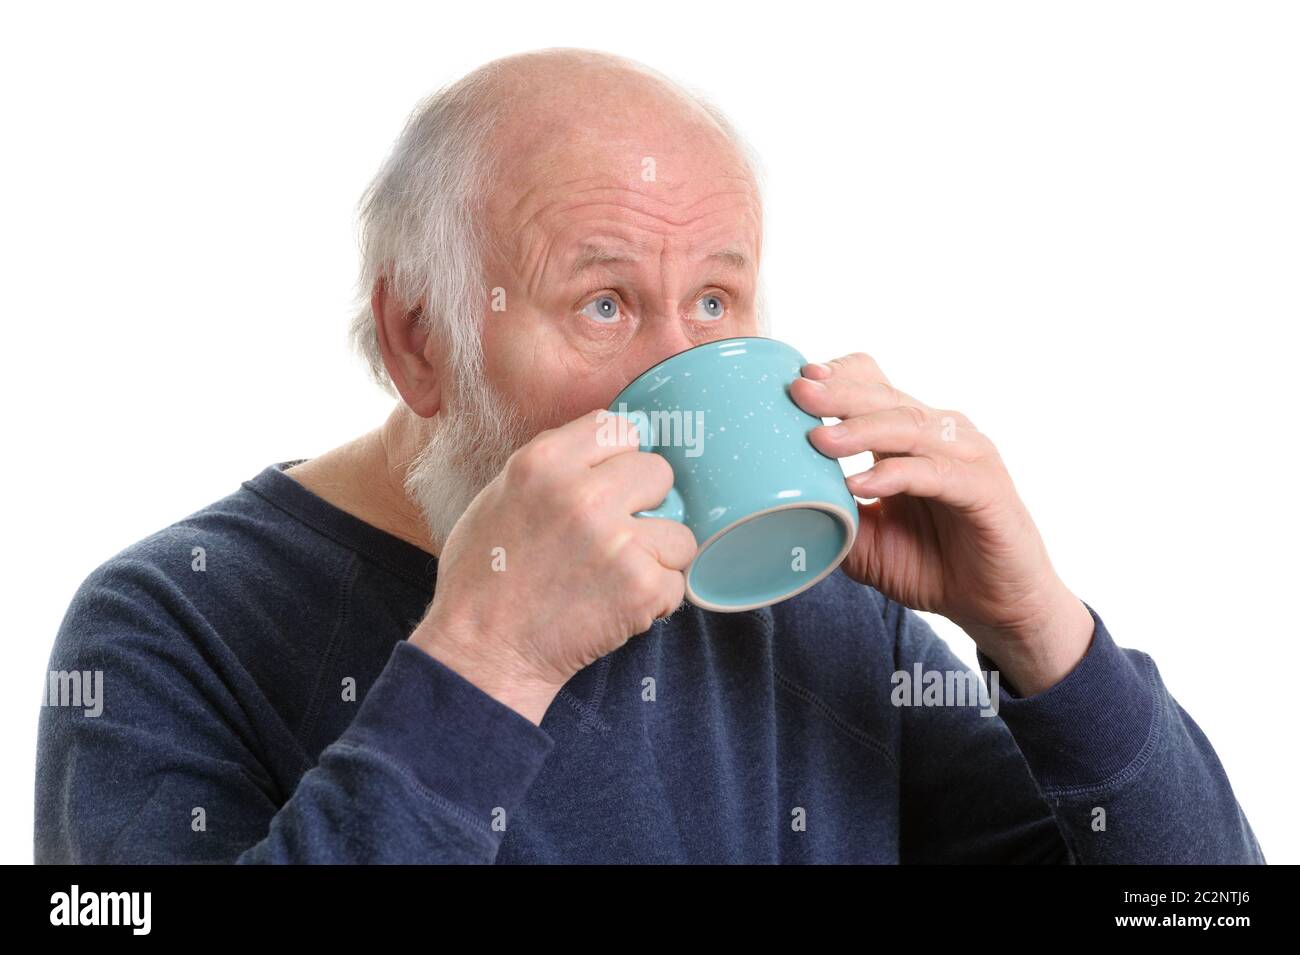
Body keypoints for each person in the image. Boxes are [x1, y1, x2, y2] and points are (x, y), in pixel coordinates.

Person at [35, 47, 1264, 863]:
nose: (679, 385)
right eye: (606, 305)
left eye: (718, 302)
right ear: (422, 339)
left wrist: (1044, 639)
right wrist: (484, 665)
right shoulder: (162, 623)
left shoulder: (813, 604)